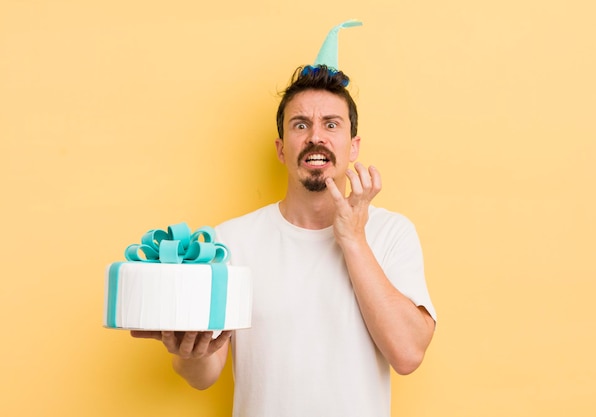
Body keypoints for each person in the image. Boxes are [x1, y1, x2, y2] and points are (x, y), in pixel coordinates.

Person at [132, 63, 436, 417]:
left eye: (331, 124)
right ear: (281, 148)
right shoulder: (230, 241)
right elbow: (205, 374)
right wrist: (187, 353)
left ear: (353, 146)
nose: (315, 137)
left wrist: (353, 239)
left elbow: (408, 354)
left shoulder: (392, 233)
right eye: (301, 124)